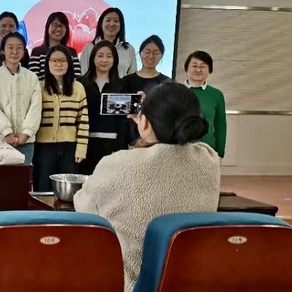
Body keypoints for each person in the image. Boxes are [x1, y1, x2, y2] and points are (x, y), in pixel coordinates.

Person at [74, 81, 221, 292]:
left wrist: (144, 127)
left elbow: (84, 207)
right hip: (189, 282)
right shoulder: (209, 160)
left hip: (131, 284)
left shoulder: (116, 164)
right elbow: (174, 149)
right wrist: (149, 122)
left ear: (144, 122)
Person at [33, 45, 89, 192]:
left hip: (70, 147)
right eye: (54, 61)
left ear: (69, 63)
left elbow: (83, 120)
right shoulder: (38, 87)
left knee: (68, 190)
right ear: (47, 64)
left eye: (63, 61)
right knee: (42, 187)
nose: (59, 64)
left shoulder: (78, 88)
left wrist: (81, 149)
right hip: (44, 147)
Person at [0, 32, 42, 164]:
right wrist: (6, 132)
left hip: (26, 141)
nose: (15, 52)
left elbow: (35, 108)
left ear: (24, 50)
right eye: (10, 47)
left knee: (24, 176)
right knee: (1, 177)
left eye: (19, 48)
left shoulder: (32, 77)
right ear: (3, 51)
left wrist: (26, 132)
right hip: (0, 140)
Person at [77, 40, 126, 175]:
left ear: (115, 60)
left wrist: (120, 145)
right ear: (93, 58)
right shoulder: (81, 83)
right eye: (100, 55)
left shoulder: (122, 85)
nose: (104, 60)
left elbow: (124, 120)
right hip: (86, 144)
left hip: (113, 144)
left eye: (109, 56)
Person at [184, 51, 227, 158]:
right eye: (194, 66)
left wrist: (220, 152)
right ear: (186, 68)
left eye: (203, 66)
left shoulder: (216, 94)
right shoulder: (175, 91)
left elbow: (220, 125)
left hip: (208, 150)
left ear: (209, 70)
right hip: (180, 149)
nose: (198, 70)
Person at [80, 7, 137, 77]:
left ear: (121, 25)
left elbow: (133, 78)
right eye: (108, 20)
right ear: (101, 24)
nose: (112, 24)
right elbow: (83, 77)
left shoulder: (129, 49)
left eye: (116, 21)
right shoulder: (89, 48)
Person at [28, 12, 82, 80]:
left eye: (62, 26)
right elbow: (33, 79)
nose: (58, 29)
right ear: (48, 27)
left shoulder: (72, 53)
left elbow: (76, 78)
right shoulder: (37, 52)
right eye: (55, 25)